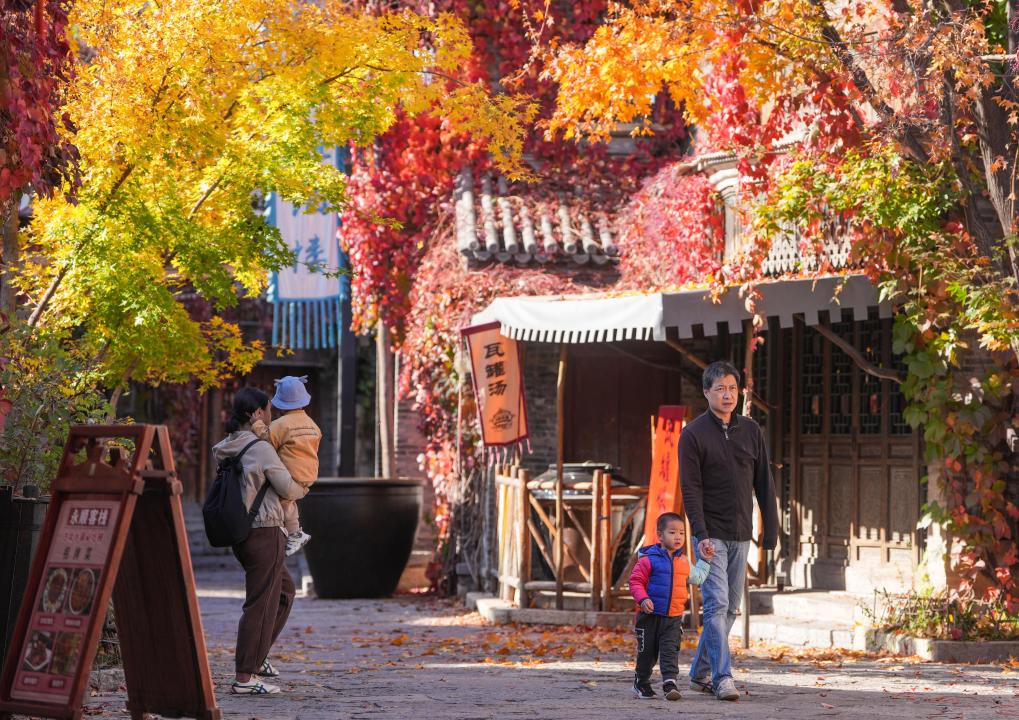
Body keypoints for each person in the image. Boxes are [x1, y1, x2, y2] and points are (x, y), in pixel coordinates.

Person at [679, 360, 778, 702]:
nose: (727, 394)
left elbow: (764, 481)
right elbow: (690, 489)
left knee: (731, 607)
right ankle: (723, 678)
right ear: (706, 392)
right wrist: (701, 533)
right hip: (710, 535)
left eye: (733, 388)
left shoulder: (751, 431)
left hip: (741, 533)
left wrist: (771, 530)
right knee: (716, 603)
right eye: (720, 388)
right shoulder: (693, 434)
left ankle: (698, 672)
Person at [213, 387, 310, 695]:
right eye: (268, 410)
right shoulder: (260, 448)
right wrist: (304, 484)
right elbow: (288, 488)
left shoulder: (227, 445)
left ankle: (258, 655)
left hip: (243, 534)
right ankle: (245, 676)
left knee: (284, 591)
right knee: (260, 602)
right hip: (265, 532)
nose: (272, 416)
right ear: (256, 414)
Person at [629, 512, 714, 701]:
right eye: (672, 532)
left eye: (682, 533)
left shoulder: (683, 561)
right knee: (647, 654)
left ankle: (670, 683)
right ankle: (641, 682)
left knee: (670, 651)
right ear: (660, 535)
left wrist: (705, 560)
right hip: (649, 617)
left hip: (673, 618)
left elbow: (698, 577)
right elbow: (635, 582)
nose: (678, 537)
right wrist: (643, 599)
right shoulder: (648, 559)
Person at [251, 375, 322, 556]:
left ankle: (292, 533)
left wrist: (257, 424)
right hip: (308, 477)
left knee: (276, 500)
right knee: (288, 502)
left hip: (289, 477)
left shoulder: (280, 425)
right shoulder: (313, 425)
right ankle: (295, 533)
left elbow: (266, 441)